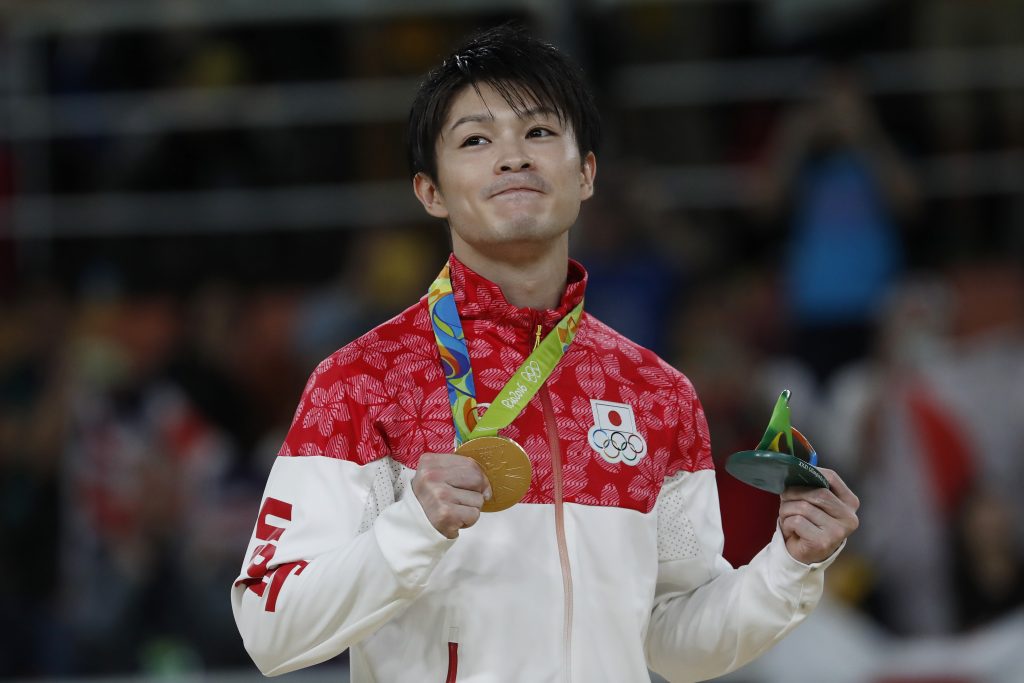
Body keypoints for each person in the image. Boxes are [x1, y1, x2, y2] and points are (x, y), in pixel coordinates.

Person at [230, 25, 859, 682]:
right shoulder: (361, 382)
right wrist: (412, 526)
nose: (512, 157)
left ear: (586, 172)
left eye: (538, 133)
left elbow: (672, 640)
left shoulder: (656, 392)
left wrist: (787, 566)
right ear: (431, 191)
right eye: (476, 139)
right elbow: (271, 629)